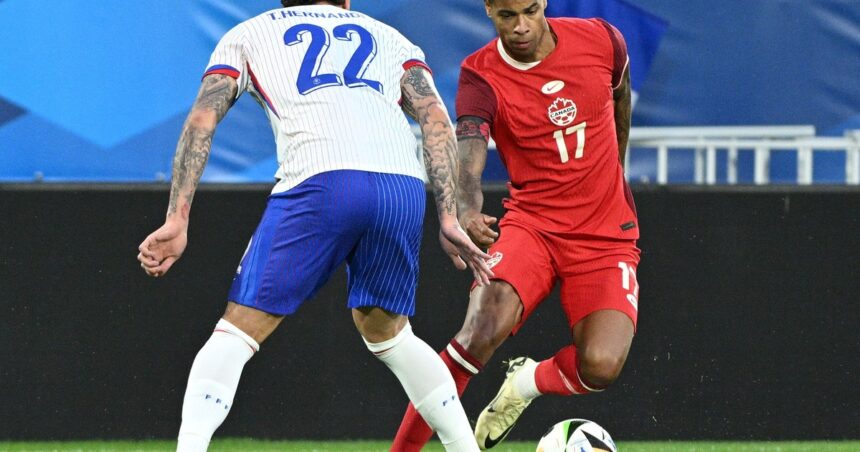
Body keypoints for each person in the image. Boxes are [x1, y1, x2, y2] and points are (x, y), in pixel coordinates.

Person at [136, 1, 494, 451]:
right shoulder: (390, 37)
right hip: (400, 187)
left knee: (237, 331)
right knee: (389, 333)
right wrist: (447, 213)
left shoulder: (248, 33)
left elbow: (203, 119)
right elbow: (435, 119)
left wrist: (177, 217)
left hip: (322, 179)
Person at [391, 0, 640, 450]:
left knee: (601, 366)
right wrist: (466, 208)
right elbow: (470, 149)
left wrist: (616, 169)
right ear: (488, 10)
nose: (521, 26)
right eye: (507, 16)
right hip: (533, 226)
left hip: (605, 232)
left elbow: (620, 92)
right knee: (479, 332)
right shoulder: (481, 74)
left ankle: (526, 382)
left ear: (543, 1)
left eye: (529, 11)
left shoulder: (603, 40)